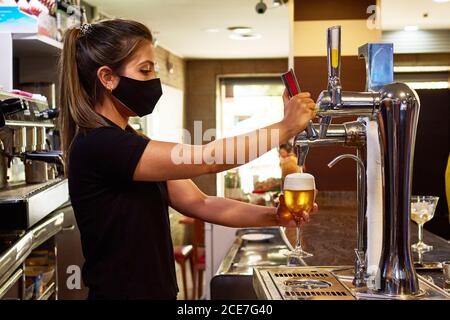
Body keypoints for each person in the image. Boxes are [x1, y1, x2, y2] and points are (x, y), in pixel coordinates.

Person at [59, 19, 317, 300]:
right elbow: (210, 159)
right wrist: (285, 128)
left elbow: (201, 203)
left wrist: (274, 217)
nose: (153, 79)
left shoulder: (132, 143)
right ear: (107, 78)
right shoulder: (100, 145)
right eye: (145, 70)